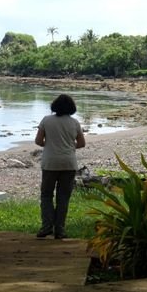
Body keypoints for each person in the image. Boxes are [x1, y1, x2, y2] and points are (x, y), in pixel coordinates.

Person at [35, 94, 86, 239]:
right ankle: (60, 229)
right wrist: (69, 147)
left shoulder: (46, 120)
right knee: (63, 197)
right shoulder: (74, 123)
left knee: (46, 195)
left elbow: (38, 141)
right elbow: (82, 143)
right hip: (69, 163)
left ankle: (46, 226)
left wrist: (50, 145)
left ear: (54, 106)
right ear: (72, 108)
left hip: (50, 162)